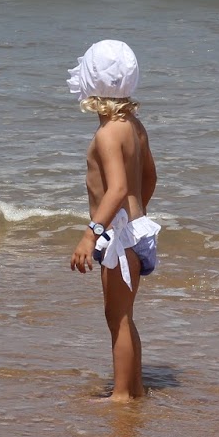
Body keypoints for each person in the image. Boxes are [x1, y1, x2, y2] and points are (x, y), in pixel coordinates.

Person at [66, 39, 160, 402]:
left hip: (117, 237)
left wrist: (91, 234)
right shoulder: (134, 126)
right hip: (135, 231)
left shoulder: (107, 134)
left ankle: (121, 396)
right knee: (125, 315)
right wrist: (139, 217)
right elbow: (149, 176)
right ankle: (134, 388)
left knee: (116, 317)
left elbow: (118, 188)